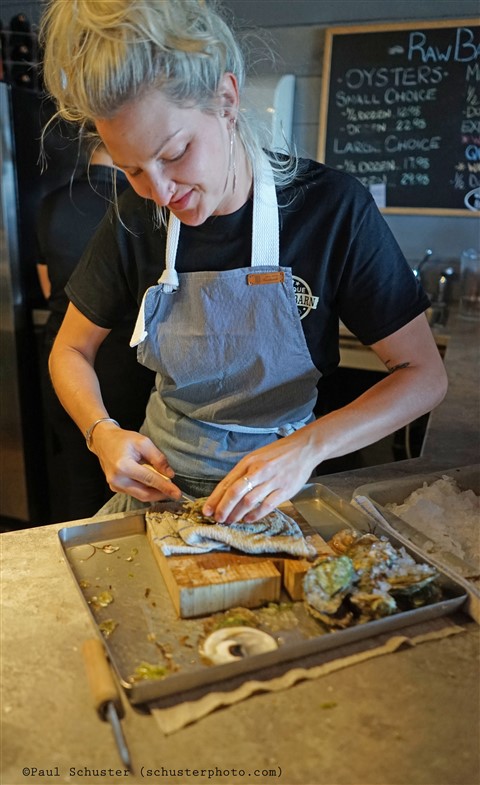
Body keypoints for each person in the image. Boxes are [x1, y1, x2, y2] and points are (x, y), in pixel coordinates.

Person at [39, 0, 447, 526]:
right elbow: (69, 349)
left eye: (175, 152)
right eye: (133, 169)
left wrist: (306, 448)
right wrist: (102, 433)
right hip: (160, 498)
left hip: (279, 498)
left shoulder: (331, 209)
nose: (160, 191)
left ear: (226, 101)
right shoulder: (136, 215)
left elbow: (423, 375)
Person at [36, 141, 155, 520]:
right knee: (132, 480)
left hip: (60, 355)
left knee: (79, 475)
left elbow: (46, 286)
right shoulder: (139, 203)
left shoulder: (51, 202)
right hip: (125, 360)